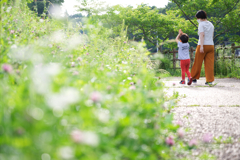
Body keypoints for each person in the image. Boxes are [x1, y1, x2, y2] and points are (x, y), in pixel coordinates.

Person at [188, 10, 215, 85]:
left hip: (202, 45)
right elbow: (212, 35)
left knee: (198, 62)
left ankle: (193, 77)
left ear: (200, 17)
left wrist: (202, 46)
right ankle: (209, 80)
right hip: (211, 45)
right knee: (209, 64)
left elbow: (202, 35)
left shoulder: (201, 24)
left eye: (197, 18)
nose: (197, 20)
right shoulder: (211, 24)